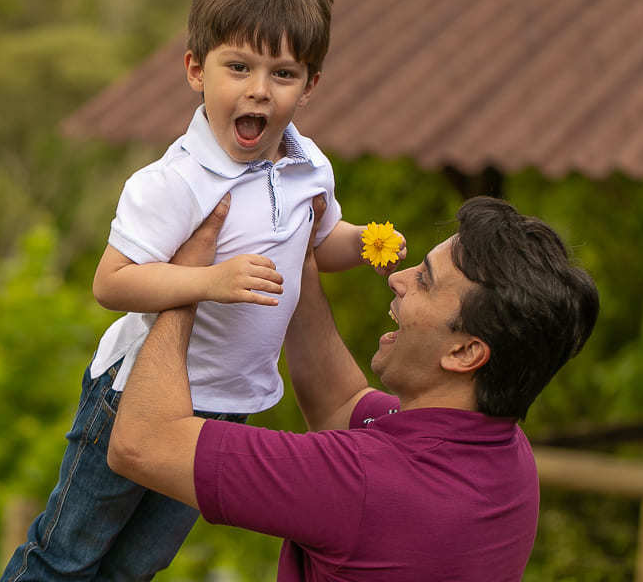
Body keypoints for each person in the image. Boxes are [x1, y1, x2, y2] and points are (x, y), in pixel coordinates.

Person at [1, 0, 402, 581]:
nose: (258, 90)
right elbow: (113, 282)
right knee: (67, 556)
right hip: (133, 395)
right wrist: (210, 280)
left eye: (283, 74)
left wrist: (367, 242)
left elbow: (318, 247)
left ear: (310, 85)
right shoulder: (176, 182)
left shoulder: (309, 168)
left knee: (137, 566)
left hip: (224, 409)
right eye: (238, 67)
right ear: (196, 69)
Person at [107, 194, 599, 581]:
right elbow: (337, 401)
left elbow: (141, 443)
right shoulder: (506, 456)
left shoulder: (362, 481)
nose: (398, 279)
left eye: (424, 281)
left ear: (465, 353)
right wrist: (297, 257)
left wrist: (186, 281)